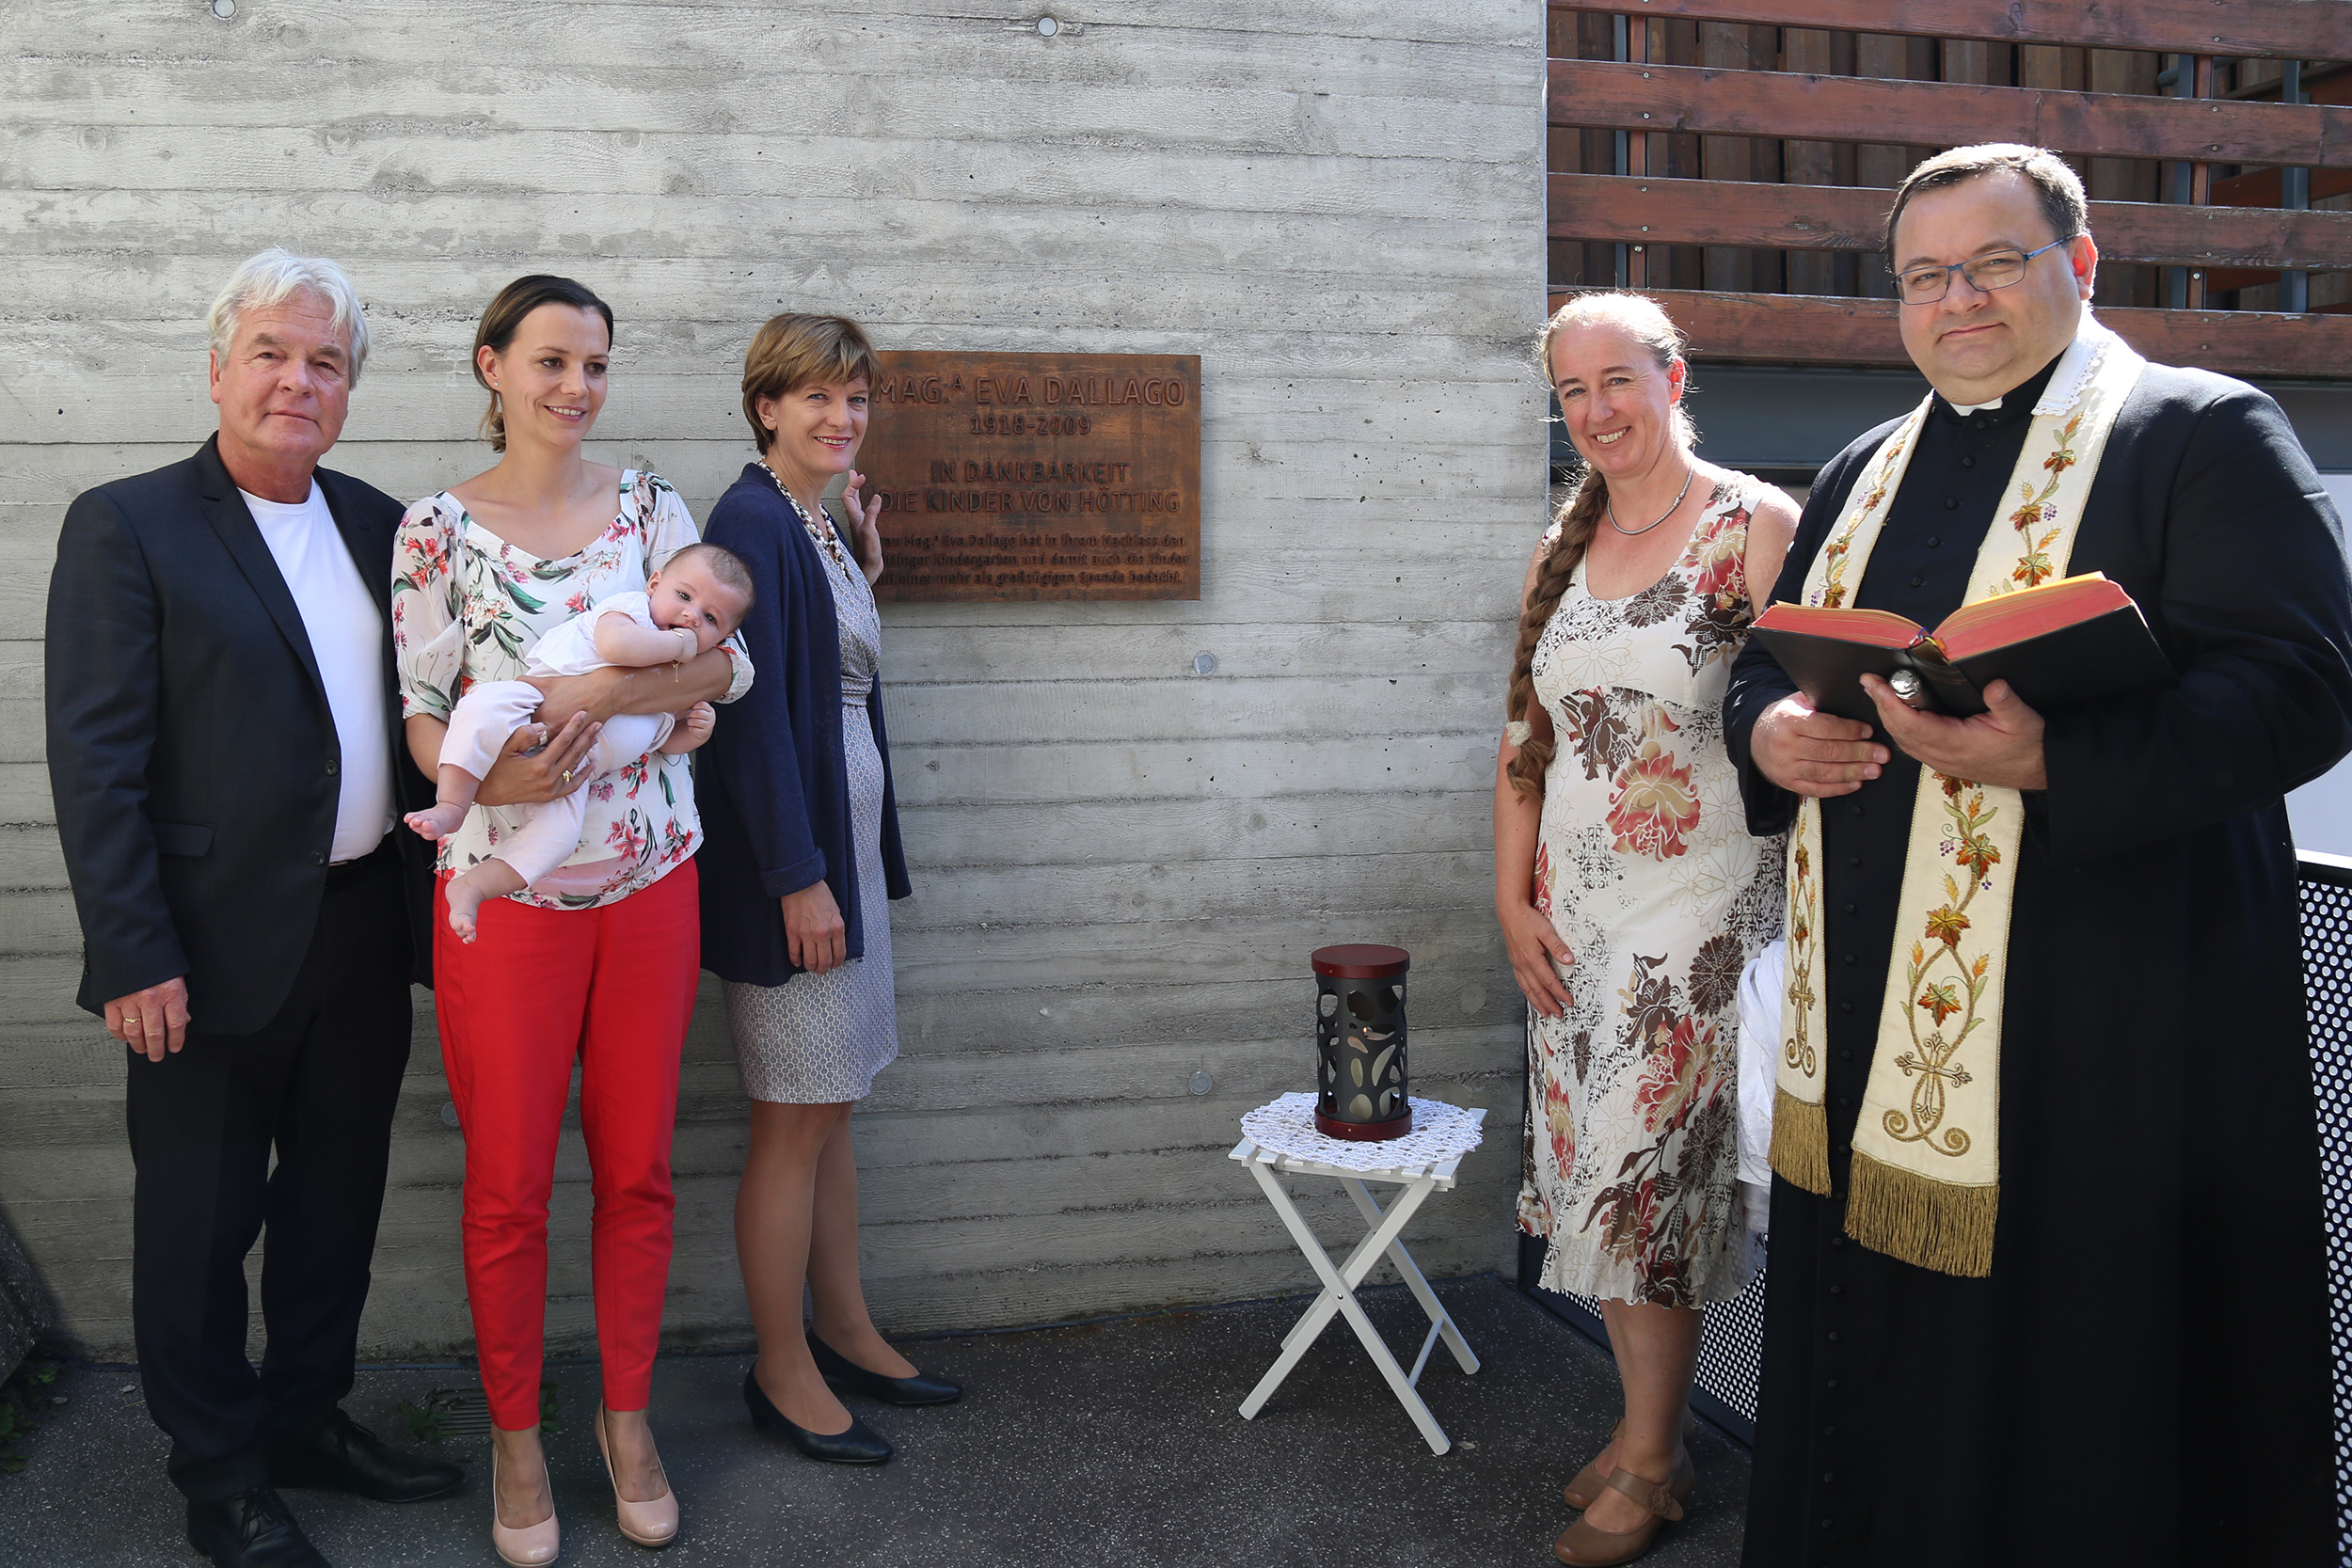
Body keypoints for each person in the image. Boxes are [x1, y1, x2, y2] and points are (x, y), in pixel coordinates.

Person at [1725, 144, 2352, 1565]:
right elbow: (1762, 675)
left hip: (2110, 1038)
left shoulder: (2203, 432)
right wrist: (1772, 741)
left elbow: (2306, 684)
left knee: (2076, 1375)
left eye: (1995, 261)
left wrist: (2051, 757)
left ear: (2080, 263)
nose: (1959, 298)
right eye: (1926, 274)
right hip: (1876, 1020)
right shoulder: (1855, 468)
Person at [45, 248, 462, 1568]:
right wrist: (132, 948)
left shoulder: (386, 525)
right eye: (273, 352)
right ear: (218, 366)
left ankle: (304, 1417)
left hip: (356, 929)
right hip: (200, 947)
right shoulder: (128, 522)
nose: (298, 379)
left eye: (325, 361)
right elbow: (95, 759)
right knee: (198, 1219)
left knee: (337, 1200)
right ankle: (217, 1470)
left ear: (349, 391)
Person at [392, 275, 750, 1563]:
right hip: (509, 898)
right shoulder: (435, 527)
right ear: (493, 367)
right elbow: (424, 710)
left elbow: (728, 660)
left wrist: (599, 683)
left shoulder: (655, 506)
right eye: (549, 360)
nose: (575, 387)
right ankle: (515, 1437)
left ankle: (628, 1418)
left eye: (594, 363)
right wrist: (495, 770)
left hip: (654, 878)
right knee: (506, 1185)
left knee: (639, 1166)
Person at [1497, 291, 1798, 1566]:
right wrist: (1508, 898)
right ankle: (1637, 1429)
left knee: (1640, 1183)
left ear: (1675, 377)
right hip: (1572, 916)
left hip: (1699, 916)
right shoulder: (1558, 546)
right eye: (1574, 392)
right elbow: (1524, 740)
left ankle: (1659, 1458)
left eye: (1619, 379)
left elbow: (1805, 709)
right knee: (1589, 1175)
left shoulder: (1754, 524)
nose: (1598, 409)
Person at [699, 311, 957, 1468]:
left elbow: (834, 661)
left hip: (839, 854)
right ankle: (780, 1362)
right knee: (792, 1116)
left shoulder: (811, 519)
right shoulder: (749, 519)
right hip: (796, 869)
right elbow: (749, 726)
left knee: (834, 1099)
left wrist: (860, 558)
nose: (840, 418)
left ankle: (846, 1327)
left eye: (855, 399)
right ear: (766, 406)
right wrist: (799, 880)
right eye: (815, 398)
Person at [405, 543, 753, 941]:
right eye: (684, 596)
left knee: (558, 837)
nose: (691, 616)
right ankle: (451, 803)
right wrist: (679, 646)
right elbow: (616, 649)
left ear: (725, 637)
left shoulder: (674, 690)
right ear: (655, 584)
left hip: (573, 773)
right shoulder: (632, 613)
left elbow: (662, 743)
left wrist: (693, 731)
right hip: (531, 703)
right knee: (480, 708)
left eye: (710, 618)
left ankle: (475, 886)